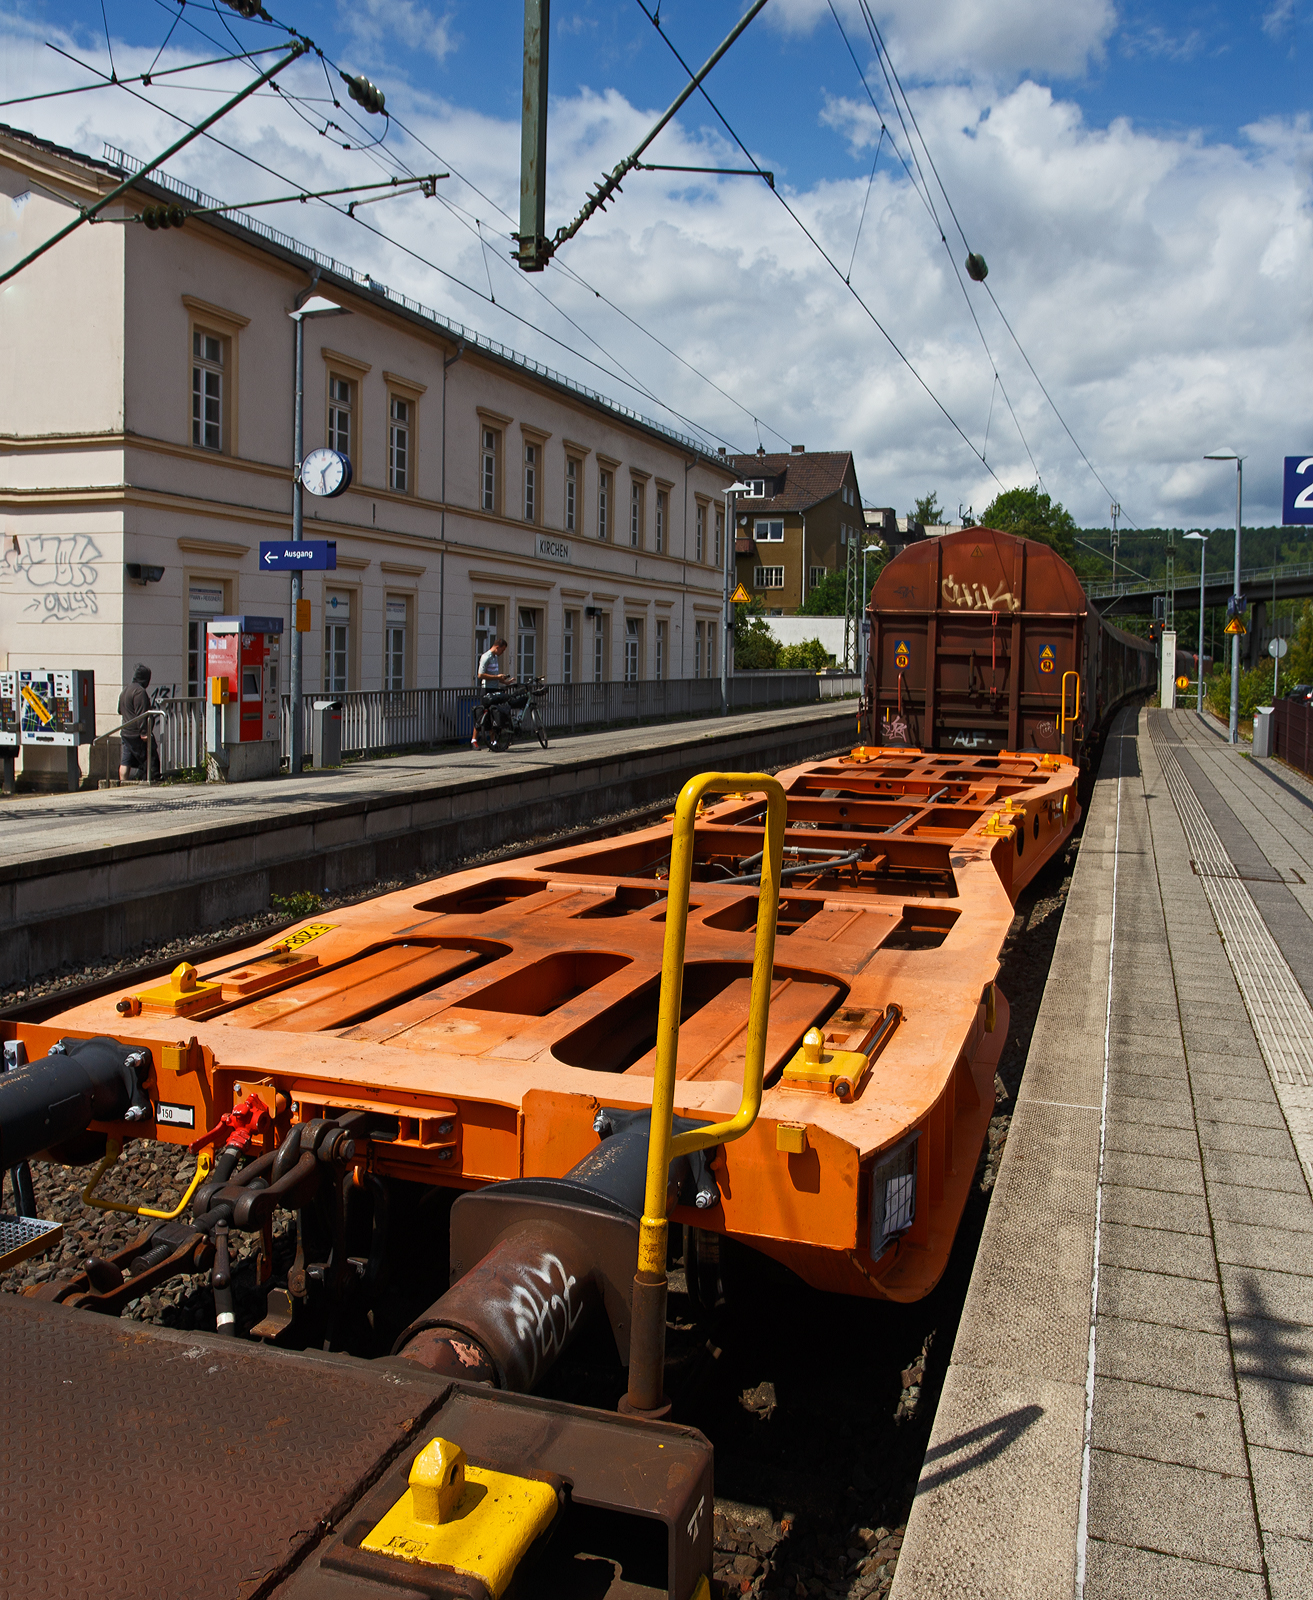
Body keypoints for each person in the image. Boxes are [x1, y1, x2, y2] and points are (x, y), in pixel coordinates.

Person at [472, 638, 513, 749]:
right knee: (482, 714)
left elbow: (494, 676)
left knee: (494, 715)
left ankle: (493, 741)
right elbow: (480, 675)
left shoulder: (495, 657)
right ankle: (474, 739)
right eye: (502, 650)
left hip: (494, 688)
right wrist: (497, 677)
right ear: (497, 647)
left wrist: (504, 681)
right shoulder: (486, 657)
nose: (502, 653)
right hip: (486, 689)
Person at [117, 663, 152, 781]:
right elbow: (142, 715)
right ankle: (150, 779)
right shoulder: (139, 692)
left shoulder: (125, 690)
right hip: (136, 733)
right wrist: (144, 733)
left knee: (125, 761)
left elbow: (119, 710)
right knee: (148, 758)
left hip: (126, 732)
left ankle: (123, 782)